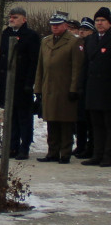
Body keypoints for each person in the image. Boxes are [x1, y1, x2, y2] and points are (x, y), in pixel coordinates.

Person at [35, 13, 83, 164]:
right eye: (52, 25)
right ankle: (52, 152)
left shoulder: (74, 42)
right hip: (49, 87)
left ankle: (65, 153)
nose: (54, 27)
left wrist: (74, 88)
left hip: (64, 88)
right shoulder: (46, 41)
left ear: (65, 25)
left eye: (58, 24)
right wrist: (38, 89)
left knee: (65, 122)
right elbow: (40, 67)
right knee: (51, 121)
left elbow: (77, 68)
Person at [0, 6, 41, 160]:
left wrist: (30, 82)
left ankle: (24, 147)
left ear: (24, 19)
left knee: (24, 117)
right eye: (10, 17)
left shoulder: (31, 36)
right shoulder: (6, 34)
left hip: (22, 83)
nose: (12, 20)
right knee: (10, 117)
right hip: (7, 82)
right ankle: (12, 146)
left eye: (15, 17)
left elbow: (34, 61)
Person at [80, 7, 111, 167]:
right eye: (97, 20)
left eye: (103, 20)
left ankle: (108, 156)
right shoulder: (90, 40)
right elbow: (85, 64)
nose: (99, 23)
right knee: (96, 125)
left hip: (107, 89)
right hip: (93, 88)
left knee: (108, 125)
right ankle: (97, 154)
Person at [74, 17, 96, 159]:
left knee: (89, 120)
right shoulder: (75, 44)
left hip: (91, 86)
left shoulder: (93, 44)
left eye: (86, 29)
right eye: (81, 29)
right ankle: (80, 145)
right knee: (79, 119)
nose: (82, 32)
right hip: (79, 85)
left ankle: (90, 146)